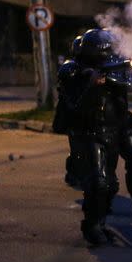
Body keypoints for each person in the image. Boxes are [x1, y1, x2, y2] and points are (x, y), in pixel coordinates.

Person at [57, 29, 132, 245]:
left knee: (119, 174)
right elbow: (74, 101)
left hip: (115, 126)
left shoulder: (116, 65)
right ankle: (94, 225)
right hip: (91, 130)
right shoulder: (72, 69)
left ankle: (130, 202)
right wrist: (91, 83)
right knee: (101, 182)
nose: (107, 55)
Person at [53, 35, 85, 188]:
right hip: (74, 115)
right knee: (77, 148)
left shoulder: (94, 67)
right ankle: (73, 173)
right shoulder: (70, 67)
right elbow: (66, 83)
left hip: (89, 114)